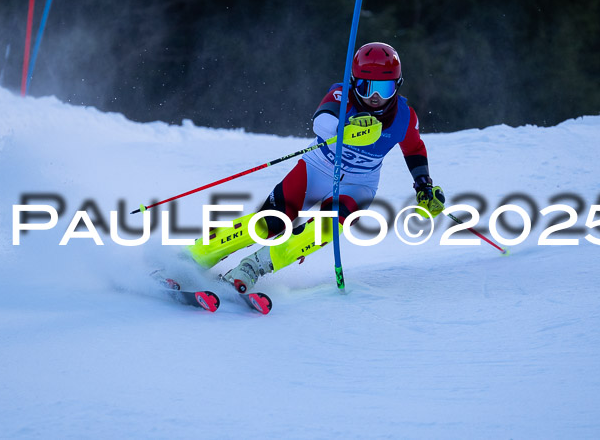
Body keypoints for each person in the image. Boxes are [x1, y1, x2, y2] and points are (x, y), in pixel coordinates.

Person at [187, 42, 445, 293]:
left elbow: (413, 149)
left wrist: (423, 185)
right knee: (271, 221)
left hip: (359, 185)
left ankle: (252, 268)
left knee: (323, 229)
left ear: (397, 87)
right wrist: (344, 130)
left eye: (384, 88)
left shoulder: (404, 116)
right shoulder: (341, 94)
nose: (375, 97)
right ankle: (196, 256)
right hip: (317, 169)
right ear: (355, 83)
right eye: (366, 87)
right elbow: (320, 121)